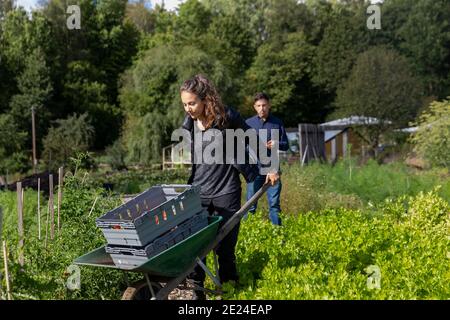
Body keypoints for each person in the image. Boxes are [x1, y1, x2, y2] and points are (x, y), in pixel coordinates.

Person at [179, 75, 279, 299]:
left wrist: (270, 167)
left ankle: (231, 293)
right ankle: (198, 294)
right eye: (184, 104)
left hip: (226, 190)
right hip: (199, 193)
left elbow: (251, 138)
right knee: (196, 248)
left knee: (225, 248)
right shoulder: (189, 123)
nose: (188, 108)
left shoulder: (227, 116)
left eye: (192, 103)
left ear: (205, 99)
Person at [245, 92, 289, 226]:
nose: (261, 108)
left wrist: (277, 144)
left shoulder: (277, 123)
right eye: (258, 105)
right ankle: (247, 235)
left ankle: (278, 236)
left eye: (264, 105)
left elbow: (286, 145)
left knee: (274, 205)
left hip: (273, 168)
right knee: (250, 206)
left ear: (269, 106)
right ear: (254, 107)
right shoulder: (248, 124)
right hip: (254, 169)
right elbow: (242, 145)